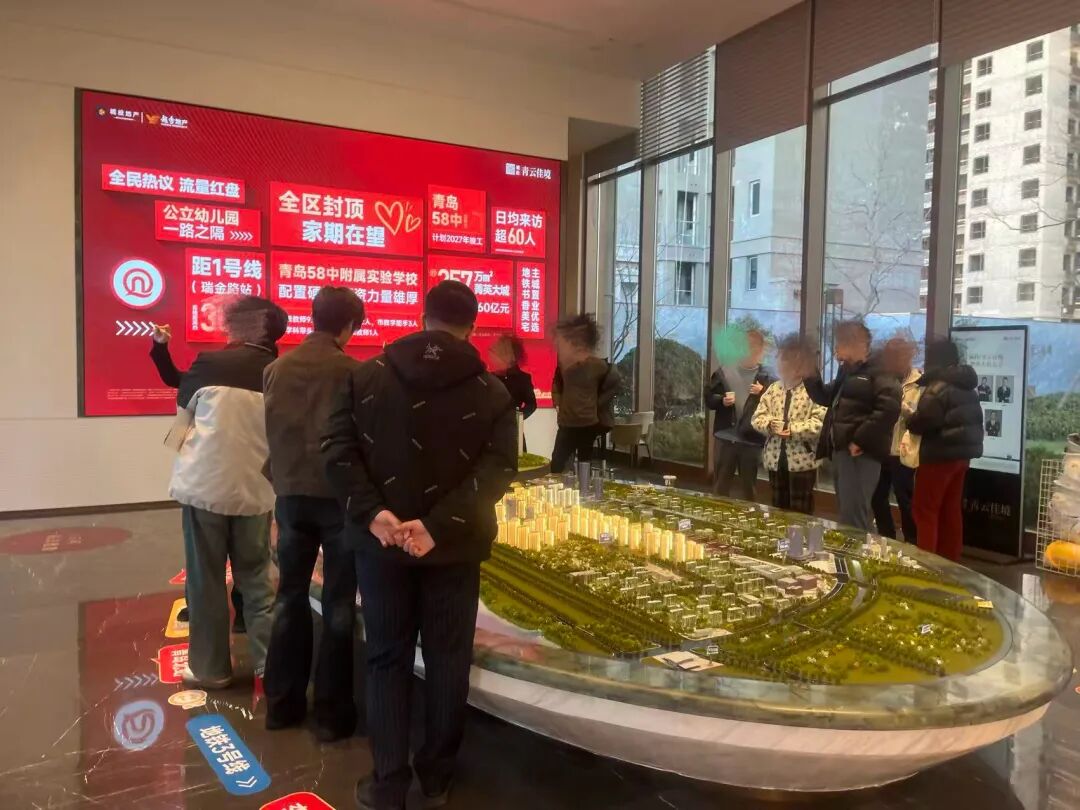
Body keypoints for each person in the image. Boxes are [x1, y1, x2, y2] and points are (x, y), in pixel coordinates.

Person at [321, 281, 517, 810]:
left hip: (381, 544)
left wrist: (374, 513)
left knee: (386, 658)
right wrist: (437, 526)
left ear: (423, 316)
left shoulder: (365, 376)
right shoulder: (493, 392)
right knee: (448, 660)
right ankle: (435, 778)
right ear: (472, 326)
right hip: (453, 548)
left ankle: (388, 782)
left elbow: (336, 451)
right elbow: (498, 470)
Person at [167, 296, 288, 689]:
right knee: (257, 580)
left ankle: (210, 669)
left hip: (204, 488)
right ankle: (271, 668)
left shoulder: (208, 364)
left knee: (205, 579)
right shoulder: (280, 373)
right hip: (255, 492)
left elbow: (183, 414)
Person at [262, 288, 364, 742]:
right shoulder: (354, 372)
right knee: (339, 605)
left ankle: (281, 705)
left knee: (290, 596)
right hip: (338, 500)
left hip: (289, 495)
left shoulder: (276, 369)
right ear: (349, 326)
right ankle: (331, 715)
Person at [150, 323, 246, 630]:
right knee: (244, 555)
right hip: (241, 480)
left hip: (217, 479)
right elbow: (173, 378)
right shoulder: (259, 373)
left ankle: (211, 613)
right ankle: (238, 612)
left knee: (206, 552)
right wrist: (161, 347)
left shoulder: (213, 370)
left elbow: (173, 379)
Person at [804, 321, 900, 532]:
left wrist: (860, 440)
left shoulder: (880, 369)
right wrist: (809, 373)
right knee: (848, 512)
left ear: (855, 344)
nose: (835, 350)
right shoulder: (847, 371)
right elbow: (826, 397)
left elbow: (889, 409)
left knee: (854, 515)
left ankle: (855, 552)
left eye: (839, 344)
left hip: (860, 453)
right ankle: (852, 551)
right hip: (841, 450)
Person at [906, 339, 984, 561]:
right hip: (961, 457)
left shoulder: (938, 387)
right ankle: (950, 563)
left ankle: (927, 564)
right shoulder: (966, 385)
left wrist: (909, 417)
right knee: (950, 510)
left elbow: (925, 421)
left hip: (938, 456)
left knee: (925, 510)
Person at [751, 336, 826, 514]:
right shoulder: (773, 389)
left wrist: (791, 430)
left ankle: (801, 534)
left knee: (801, 511)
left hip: (803, 461)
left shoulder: (813, 391)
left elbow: (819, 424)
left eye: (783, 359)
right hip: (774, 459)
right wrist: (770, 425)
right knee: (778, 509)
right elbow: (757, 418)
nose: (778, 363)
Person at [706, 329, 773, 500]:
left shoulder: (766, 377)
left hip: (751, 439)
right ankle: (718, 515)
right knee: (721, 486)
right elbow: (709, 398)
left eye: (753, 348)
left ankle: (750, 515)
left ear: (760, 350)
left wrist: (763, 391)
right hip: (725, 436)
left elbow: (777, 403)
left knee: (748, 489)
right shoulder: (724, 372)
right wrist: (722, 400)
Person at [550, 314, 621, 474]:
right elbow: (557, 387)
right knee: (558, 462)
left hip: (587, 422)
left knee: (583, 461)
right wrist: (558, 403)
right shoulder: (563, 367)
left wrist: (598, 404)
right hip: (567, 422)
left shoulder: (597, 366)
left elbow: (614, 383)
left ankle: (583, 486)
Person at [870, 336, 920, 542]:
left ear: (909, 357)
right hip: (881, 448)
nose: (896, 362)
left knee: (905, 499)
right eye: (892, 357)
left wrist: (904, 409)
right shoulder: (881, 380)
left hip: (904, 451)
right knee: (877, 497)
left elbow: (922, 418)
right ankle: (886, 538)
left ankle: (911, 542)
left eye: (900, 357)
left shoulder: (918, 383)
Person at [488, 335, 537, 451]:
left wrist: (518, 417)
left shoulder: (522, 378)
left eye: (498, 352)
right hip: (492, 430)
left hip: (513, 430)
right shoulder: (489, 378)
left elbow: (531, 404)